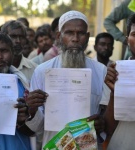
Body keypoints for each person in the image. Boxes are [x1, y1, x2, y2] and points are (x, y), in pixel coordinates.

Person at [28, 10, 109, 149]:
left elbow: (105, 116)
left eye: (81, 33)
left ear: (88, 36)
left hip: (87, 145)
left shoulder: (101, 71)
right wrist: (32, 109)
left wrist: (102, 123)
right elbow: (38, 127)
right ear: (59, 36)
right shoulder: (42, 71)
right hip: (53, 144)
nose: (75, 38)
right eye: (69, 33)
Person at [0, 32, 32, 150]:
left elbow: (35, 130)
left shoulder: (24, 85)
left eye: (4, 51)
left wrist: (25, 117)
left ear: (12, 53)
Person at [103, 13, 135, 150]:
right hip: (122, 144)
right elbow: (108, 128)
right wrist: (113, 94)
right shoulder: (115, 73)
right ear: (127, 40)